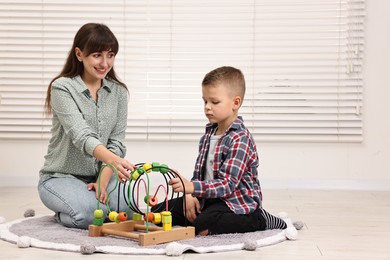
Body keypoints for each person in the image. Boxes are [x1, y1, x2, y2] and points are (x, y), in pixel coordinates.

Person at [154, 66, 288, 235]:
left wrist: (191, 187)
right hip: (208, 199)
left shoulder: (240, 139)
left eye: (214, 102)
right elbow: (199, 175)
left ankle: (260, 218)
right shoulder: (208, 134)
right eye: (205, 101)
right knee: (156, 213)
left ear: (236, 103)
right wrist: (190, 196)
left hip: (235, 202)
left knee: (201, 226)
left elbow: (228, 185)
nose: (207, 107)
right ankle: (205, 214)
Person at [38, 23, 134, 229]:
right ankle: (63, 212)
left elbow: (116, 141)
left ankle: (85, 202)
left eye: (111, 55)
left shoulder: (119, 92)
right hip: (61, 177)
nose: (105, 63)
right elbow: (81, 135)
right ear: (80, 54)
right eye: (97, 55)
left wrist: (102, 179)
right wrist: (115, 161)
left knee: (129, 211)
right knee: (91, 215)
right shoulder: (62, 88)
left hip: (103, 174)